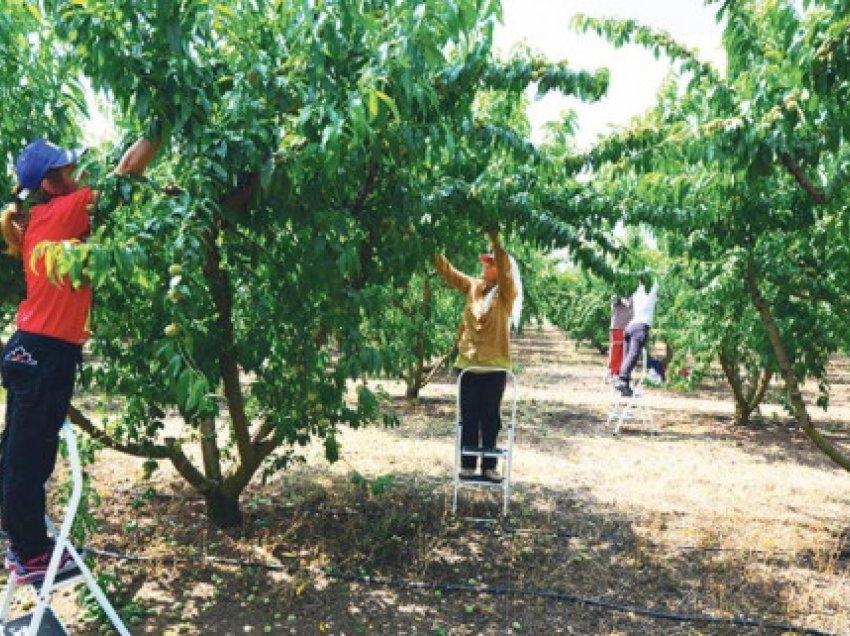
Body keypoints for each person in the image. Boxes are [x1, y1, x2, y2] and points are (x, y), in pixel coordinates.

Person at [0, 136, 159, 584]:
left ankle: (18, 538)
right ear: (51, 183)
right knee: (29, 458)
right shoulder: (62, 212)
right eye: (68, 170)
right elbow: (125, 174)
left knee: (18, 450)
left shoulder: (44, 219)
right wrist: (159, 130)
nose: (77, 173)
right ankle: (30, 553)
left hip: (31, 350)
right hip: (44, 353)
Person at [433, 229, 520, 481]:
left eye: (490, 264)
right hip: (468, 365)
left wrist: (496, 241)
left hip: (494, 367)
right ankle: (468, 464)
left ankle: (490, 465)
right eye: (485, 262)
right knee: (468, 416)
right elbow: (448, 272)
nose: (485, 266)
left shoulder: (506, 295)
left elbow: (504, 270)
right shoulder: (473, 287)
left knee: (490, 417)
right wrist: (430, 248)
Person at [616, 272, 660, 396]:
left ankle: (625, 386)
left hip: (630, 327)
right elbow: (656, 281)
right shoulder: (651, 289)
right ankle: (623, 380)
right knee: (633, 355)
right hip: (640, 327)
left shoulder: (637, 293)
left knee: (628, 357)